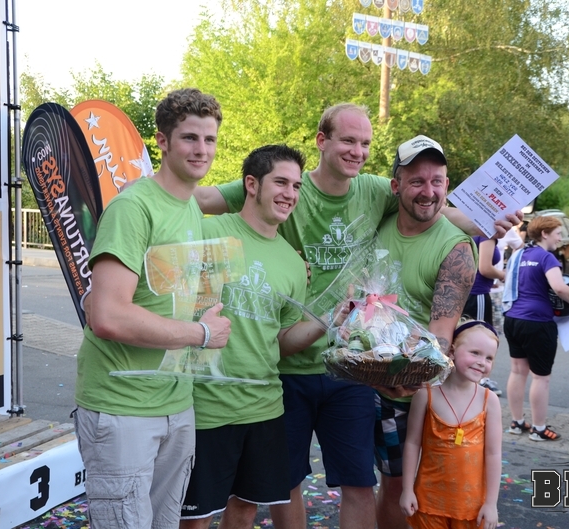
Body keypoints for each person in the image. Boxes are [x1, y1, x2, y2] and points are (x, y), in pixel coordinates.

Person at [194, 104, 520, 529]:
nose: (358, 151)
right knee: (284, 482)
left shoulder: (373, 190)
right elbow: (202, 198)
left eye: (365, 142)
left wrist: (483, 220)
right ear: (321, 141)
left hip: (351, 369)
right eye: (348, 140)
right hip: (287, 364)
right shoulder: (285, 182)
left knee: (359, 481)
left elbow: (428, 201)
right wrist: (149, 190)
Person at [74, 88, 232, 529]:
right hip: (122, 408)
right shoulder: (133, 207)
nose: (201, 150)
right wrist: (201, 334)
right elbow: (107, 315)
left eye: (209, 139)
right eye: (189, 138)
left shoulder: (192, 208)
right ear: (162, 141)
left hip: (176, 402)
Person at [180, 145, 344, 529]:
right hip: (206, 404)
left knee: (245, 510)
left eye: (297, 186)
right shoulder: (207, 232)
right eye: (281, 182)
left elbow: (282, 340)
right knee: (196, 518)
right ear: (252, 185)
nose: (290, 193)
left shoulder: (293, 262)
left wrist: (328, 321)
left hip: (264, 407)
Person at [373, 135, 478, 529]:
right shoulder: (379, 221)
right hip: (367, 380)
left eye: (437, 181)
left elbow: (441, 333)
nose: (428, 192)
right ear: (396, 185)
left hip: (414, 390)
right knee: (390, 484)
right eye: (417, 181)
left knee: (417, 487)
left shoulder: (456, 248)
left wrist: (410, 376)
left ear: (447, 186)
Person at [399, 319, 502, 529]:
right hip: (428, 502)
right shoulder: (425, 395)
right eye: (475, 353)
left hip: (471, 507)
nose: (482, 362)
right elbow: (412, 443)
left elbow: (493, 454)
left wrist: (491, 503)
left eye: (489, 358)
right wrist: (407, 489)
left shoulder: (489, 401)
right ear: (452, 352)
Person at [503, 215, 569, 442]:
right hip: (537, 322)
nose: (560, 238)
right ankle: (539, 429)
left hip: (513, 318)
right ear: (544, 234)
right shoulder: (547, 257)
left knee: (517, 372)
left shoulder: (519, 254)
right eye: (557, 233)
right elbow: (559, 287)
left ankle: (517, 422)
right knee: (541, 378)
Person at [464, 235, 505, 396]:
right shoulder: (486, 234)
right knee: (480, 339)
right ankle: (478, 381)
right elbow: (485, 268)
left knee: (467, 339)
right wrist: (502, 275)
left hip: (468, 291)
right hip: (478, 292)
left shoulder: (472, 229)